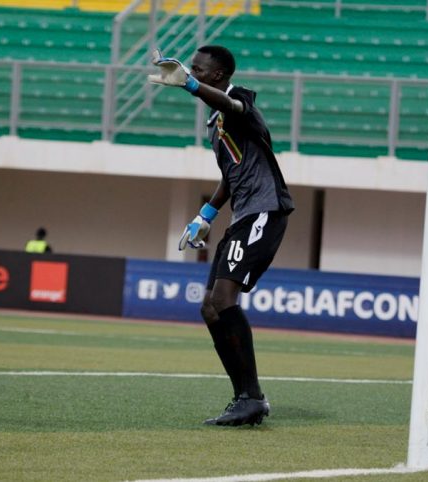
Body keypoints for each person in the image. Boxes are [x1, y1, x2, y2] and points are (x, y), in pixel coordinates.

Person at [149, 45, 295, 427]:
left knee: (224, 298)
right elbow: (232, 175)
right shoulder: (215, 121)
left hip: (264, 210)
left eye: (198, 69)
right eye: (189, 68)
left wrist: (188, 85)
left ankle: (251, 398)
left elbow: (236, 108)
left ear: (217, 76)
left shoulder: (237, 101)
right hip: (243, 213)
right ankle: (244, 398)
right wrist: (206, 214)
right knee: (210, 306)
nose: (189, 70)